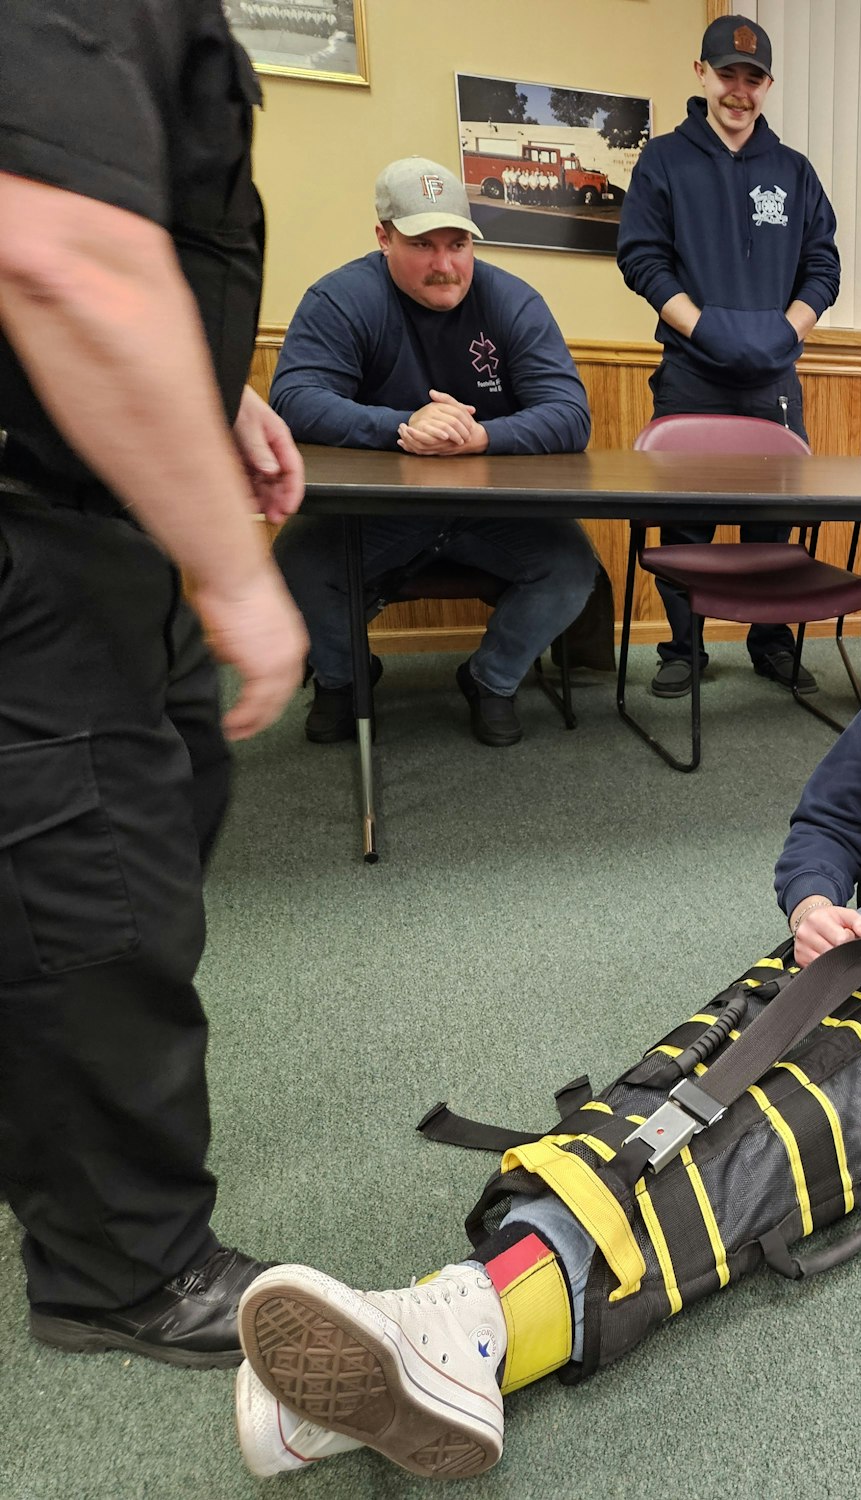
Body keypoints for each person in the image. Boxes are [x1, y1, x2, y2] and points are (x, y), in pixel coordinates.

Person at [224, 437, 861, 1480]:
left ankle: (483, 1333)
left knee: (786, 1128)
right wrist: (815, 902)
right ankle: (439, 1319)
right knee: (692, 1071)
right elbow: (830, 821)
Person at [0, 0, 309, 1367]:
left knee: (175, 785)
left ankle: (48, 1124)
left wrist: (206, 391)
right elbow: (58, 255)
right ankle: (121, 1268)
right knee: (95, 884)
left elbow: (137, 237)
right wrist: (233, 577)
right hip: (34, 532)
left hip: (91, 505)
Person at [268, 157, 598, 748]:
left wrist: (482, 437)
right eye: (422, 245)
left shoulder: (513, 301)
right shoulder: (341, 297)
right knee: (299, 563)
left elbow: (570, 414)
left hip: (493, 507)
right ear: (383, 237)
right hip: (378, 510)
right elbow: (294, 398)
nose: (445, 265)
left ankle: (490, 679)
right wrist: (402, 425)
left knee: (572, 568)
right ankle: (344, 678)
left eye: (458, 244)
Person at [617, 13, 841, 700]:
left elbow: (823, 267)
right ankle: (683, 646)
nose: (739, 90)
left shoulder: (794, 171)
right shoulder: (663, 160)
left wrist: (788, 332)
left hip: (774, 377)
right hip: (692, 370)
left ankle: (770, 640)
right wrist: (701, 328)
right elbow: (642, 259)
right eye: (726, 74)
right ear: (701, 74)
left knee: (773, 521)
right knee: (686, 520)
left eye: (753, 78)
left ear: (768, 85)